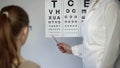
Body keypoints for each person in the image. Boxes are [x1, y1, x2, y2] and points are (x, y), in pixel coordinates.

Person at [57, 0, 120, 68]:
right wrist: (71, 49)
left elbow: (113, 47)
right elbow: (91, 44)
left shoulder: (112, 6)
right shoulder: (94, 4)